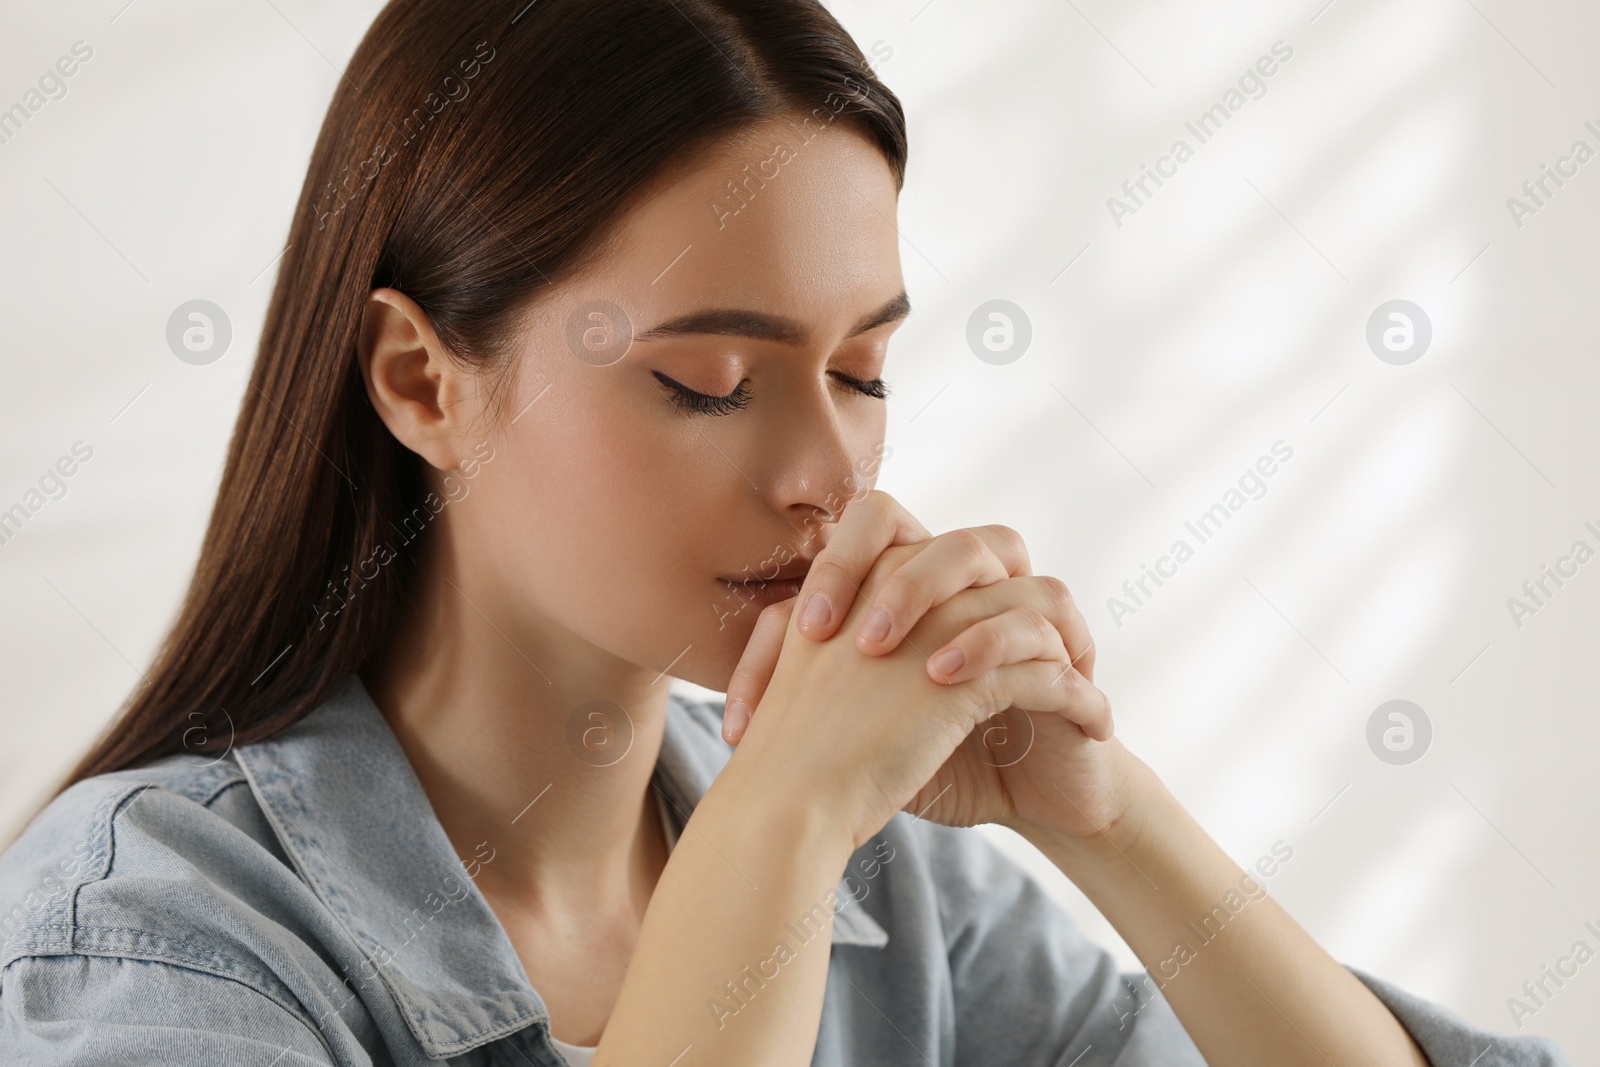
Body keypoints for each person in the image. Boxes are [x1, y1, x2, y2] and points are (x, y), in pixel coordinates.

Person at [0, 1, 1573, 1064]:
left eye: (865, 372)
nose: (835, 472)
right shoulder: (150, 935)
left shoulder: (901, 891)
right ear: (423, 379)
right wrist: (780, 822)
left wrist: (1110, 822)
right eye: (707, 383)